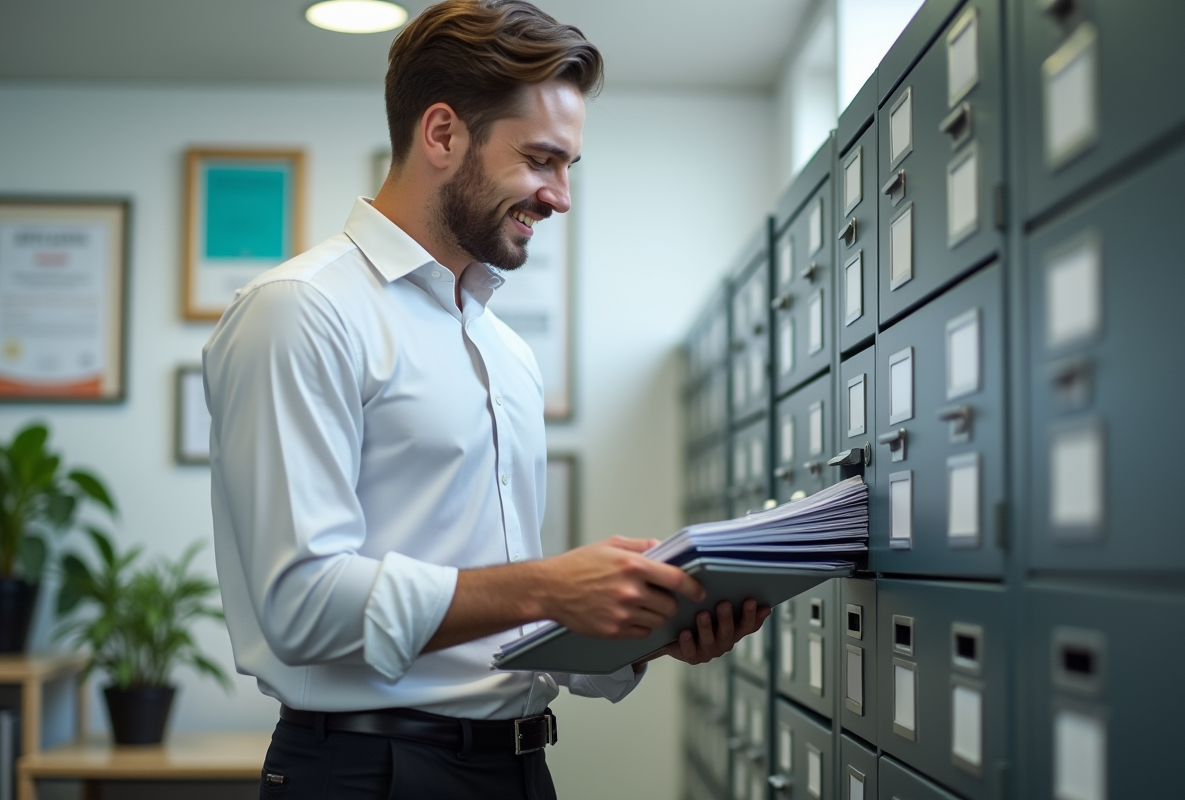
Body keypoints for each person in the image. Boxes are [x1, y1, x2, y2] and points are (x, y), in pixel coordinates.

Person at [203, 1, 769, 797]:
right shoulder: (301, 310)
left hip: (517, 768)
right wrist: (547, 583)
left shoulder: (505, 352)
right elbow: (301, 603)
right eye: (542, 159)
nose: (561, 196)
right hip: (372, 773)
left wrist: (639, 630)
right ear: (442, 134)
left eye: (569, 165)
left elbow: (497, 621)